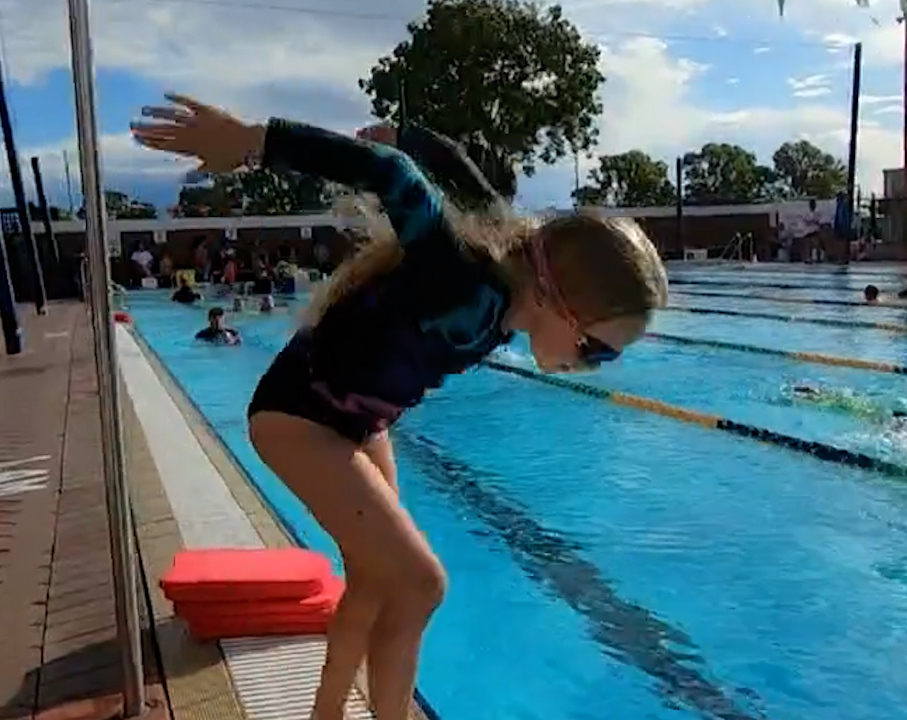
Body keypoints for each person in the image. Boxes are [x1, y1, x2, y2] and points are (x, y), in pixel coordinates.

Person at [131, 93, 668, 720]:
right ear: (563, 301)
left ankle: (326, 713)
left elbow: (460, 169)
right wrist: (253, 140)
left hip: (357, 419)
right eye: (599, 351)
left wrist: (408, 130)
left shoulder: (518, 259)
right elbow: (393, 175)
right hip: (301, 415)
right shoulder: (464, 276)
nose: (591, 365)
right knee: (421, 584)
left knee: (375, 581)